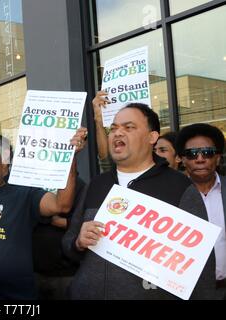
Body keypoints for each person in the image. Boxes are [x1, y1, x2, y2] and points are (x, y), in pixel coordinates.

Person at [62, 103, 217, 300]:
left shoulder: (179, 187)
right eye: (114, 128)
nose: (118, 133)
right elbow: (68, 243)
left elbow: (201, 267)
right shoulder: (97, 184)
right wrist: (78, 243)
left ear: (152, 137)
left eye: (129, 127)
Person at [0, 130, 87, 300]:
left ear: (6, 165)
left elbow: (62, 204)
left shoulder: (25, 194)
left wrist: (69, 157)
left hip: (17, 299)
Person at [175, 123, 226, 299]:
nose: (200, 159)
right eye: (191, 154)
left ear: (218, 157)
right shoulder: (171, 195)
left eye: (208, 152)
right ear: (182, 159)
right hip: (188, 293)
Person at [32, 176, 87, 300]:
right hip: (34, 271)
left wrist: (54, 219)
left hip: (65, 273)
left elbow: (83, 223)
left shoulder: (79, 185)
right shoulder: (34, 181)